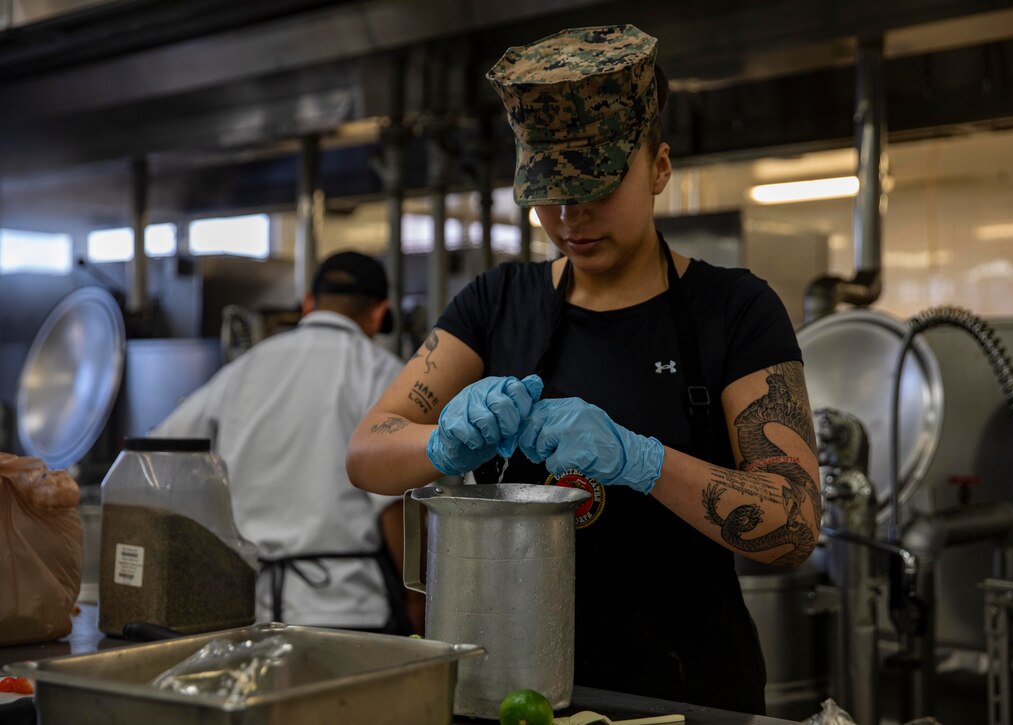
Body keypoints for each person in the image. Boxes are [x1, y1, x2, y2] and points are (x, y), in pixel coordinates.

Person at [346, 25, 820, 714]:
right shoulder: (495, 304)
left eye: (596, 187)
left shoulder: (734, 310)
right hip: (512, 692)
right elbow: (366, 452)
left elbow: (797, 524)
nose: (571, 216)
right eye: (551, 192)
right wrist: (443, 441)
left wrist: (645, 460)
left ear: (659, 167)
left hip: (686, 697)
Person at [154, 251, 422, 634]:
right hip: (345, 610)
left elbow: (160, 452)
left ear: (308, 304)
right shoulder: (381, 372)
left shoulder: (243, 368)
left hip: (249, 607)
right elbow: (395, 503)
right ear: (379, 313)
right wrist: (417, 599)